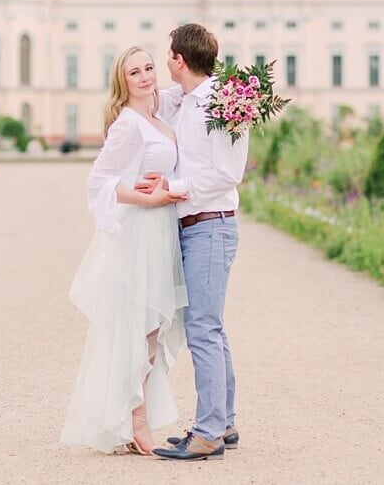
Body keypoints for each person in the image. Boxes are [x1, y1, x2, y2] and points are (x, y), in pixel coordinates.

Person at [60, 46, 189, 455]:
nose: (146, 76)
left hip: (163, 230)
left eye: (150, 67)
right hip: (142, 232)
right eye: (135, 72)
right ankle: (135, 420)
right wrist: (145, 199)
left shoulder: (160, 116)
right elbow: (100, 180)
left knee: (150, 328)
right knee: (139, 326)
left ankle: (135, 416)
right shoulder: (128, 125)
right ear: (123, 81)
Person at [139, 23, 248, 461]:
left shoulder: (223, 103)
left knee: (203, 329)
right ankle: (224, 421)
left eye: (166, 57)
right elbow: (144, 104)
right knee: (209, 327)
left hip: (211, 223)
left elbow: (227, 173)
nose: (163, 64)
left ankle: (207, 433)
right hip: (197, 225)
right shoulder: (185, 100)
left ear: (179, 60)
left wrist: (174, 185)